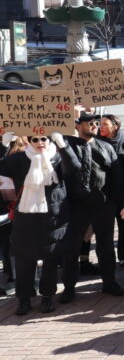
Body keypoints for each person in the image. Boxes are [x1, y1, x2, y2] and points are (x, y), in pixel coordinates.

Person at [0, 132, 72, 315]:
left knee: (50, 258)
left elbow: (75, 168)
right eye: (35, 140)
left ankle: (47, 296)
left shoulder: (58, 158)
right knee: (24, 259)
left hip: (53, 216)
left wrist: (64, 146)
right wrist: (3, 145)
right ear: (29, 142)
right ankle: (23, 299)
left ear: (50, 141)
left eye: (44, 139)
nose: (40, 143)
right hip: (26, 216)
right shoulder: (19, 159)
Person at [59, 113, 124, 303]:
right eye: (90, 123)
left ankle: (109, 282)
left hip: (103, 205)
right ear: (78, 126)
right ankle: (69, 287)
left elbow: (116, 175)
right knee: (71, 247)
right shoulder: (66, 145)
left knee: (105, 246)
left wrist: (112, 202)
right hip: (76, 206)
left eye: (97, 123)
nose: (95, 126)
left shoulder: (105, 147)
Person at [99, 114, 124, 265]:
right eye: (100, 124)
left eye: (105, 124)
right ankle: (106, 260)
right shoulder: (95, 142)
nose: (101, 127)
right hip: (104, 194)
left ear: (115, 126)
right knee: (105, 230)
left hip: (122, 193)